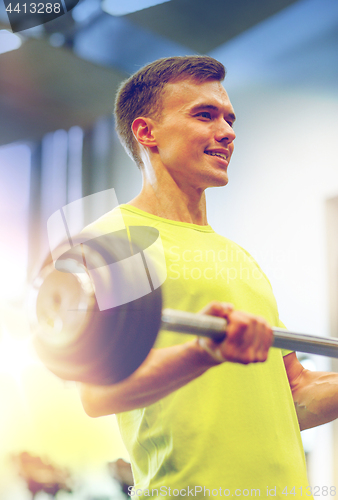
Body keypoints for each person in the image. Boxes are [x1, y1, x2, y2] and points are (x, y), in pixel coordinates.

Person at [79, 56, 338, 499]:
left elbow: (293, 394)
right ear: (147, 133)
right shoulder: (115, 240)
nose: (228, 131)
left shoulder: (239, 257)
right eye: (205, 114)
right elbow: (100, 393)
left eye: (229, 118)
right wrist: (203, 351)